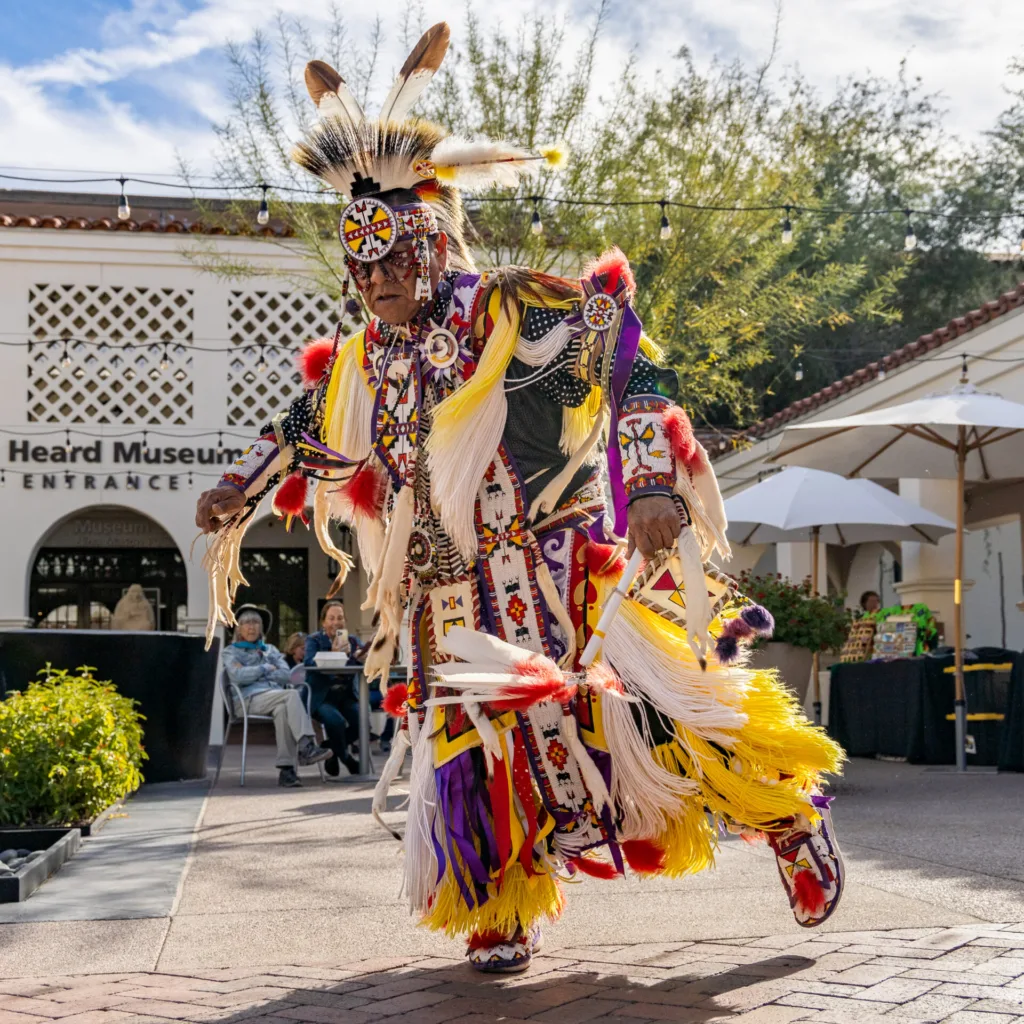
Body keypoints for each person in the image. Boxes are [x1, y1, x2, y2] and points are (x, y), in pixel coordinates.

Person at [196, 23, 845, 974]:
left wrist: (654, 478)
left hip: (561, 571)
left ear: (430, 241)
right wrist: (235, 488)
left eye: (390, 258)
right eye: (361, 265)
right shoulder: (368, 360)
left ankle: (788, 823)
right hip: (452, 596)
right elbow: (307, 428)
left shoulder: (508, 305)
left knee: (659, 717)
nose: (374, 279)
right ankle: (498, 902)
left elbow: (619, 348)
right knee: (468, 749)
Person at [221, 605, 331, 787]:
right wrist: (264, 668)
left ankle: (287, 771)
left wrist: (253, 672)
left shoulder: (270, 650)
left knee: (282, 709)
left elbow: (286, 674)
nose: (252, 627)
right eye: (246, 622)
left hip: (273, 698)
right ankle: (307, 746)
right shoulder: (230, 652)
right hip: (246, 700)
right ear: (238, 628)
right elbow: (237, 676)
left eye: (256, 622)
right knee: (290, 695)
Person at [303, 602, 363, 778]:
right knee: (335, 721)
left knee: (362, 722)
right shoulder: (314, 640)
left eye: (340, 618)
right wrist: (333, 653)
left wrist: (358, 656)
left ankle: (329, 749)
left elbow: (360, 664)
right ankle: (346, 758)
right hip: (322, 697)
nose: (336, 622)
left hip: (346, 695)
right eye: (331, 618)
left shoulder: (352, 641)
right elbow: (308, 663)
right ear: (323, 622)